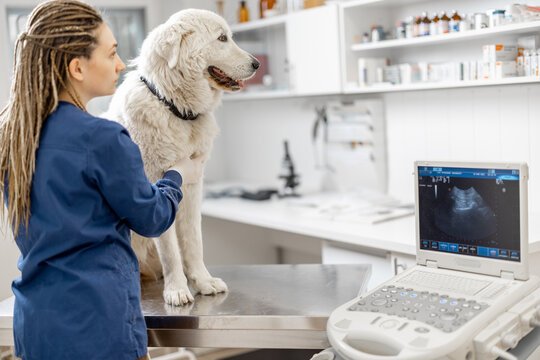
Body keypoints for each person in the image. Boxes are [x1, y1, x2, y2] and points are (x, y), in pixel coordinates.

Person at [0, 1, 205, 359]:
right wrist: (177, 176)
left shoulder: (13, 137)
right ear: (77, 67)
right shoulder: (103, 138)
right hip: (98, 326)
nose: (121, 65)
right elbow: (152, 218)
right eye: (111, 53)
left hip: (35, 324)